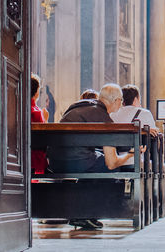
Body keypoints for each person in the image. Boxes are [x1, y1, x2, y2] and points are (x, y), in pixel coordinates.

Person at [50, 84, 137, 231]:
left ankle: (82, 213)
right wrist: (130, 154)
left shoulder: (77, 108)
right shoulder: (104, 119)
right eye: (121, 101)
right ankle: (87, 213)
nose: (121, 105)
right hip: (77, 161)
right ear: (115, 101)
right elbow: (111, 163)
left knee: (97, 162)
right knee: (112, 168)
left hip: (55, 161)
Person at [30, 74, 48, 176]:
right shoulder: (36, 111)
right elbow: (42, 136)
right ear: (36, 92)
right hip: (36, 158)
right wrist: (45, 119)